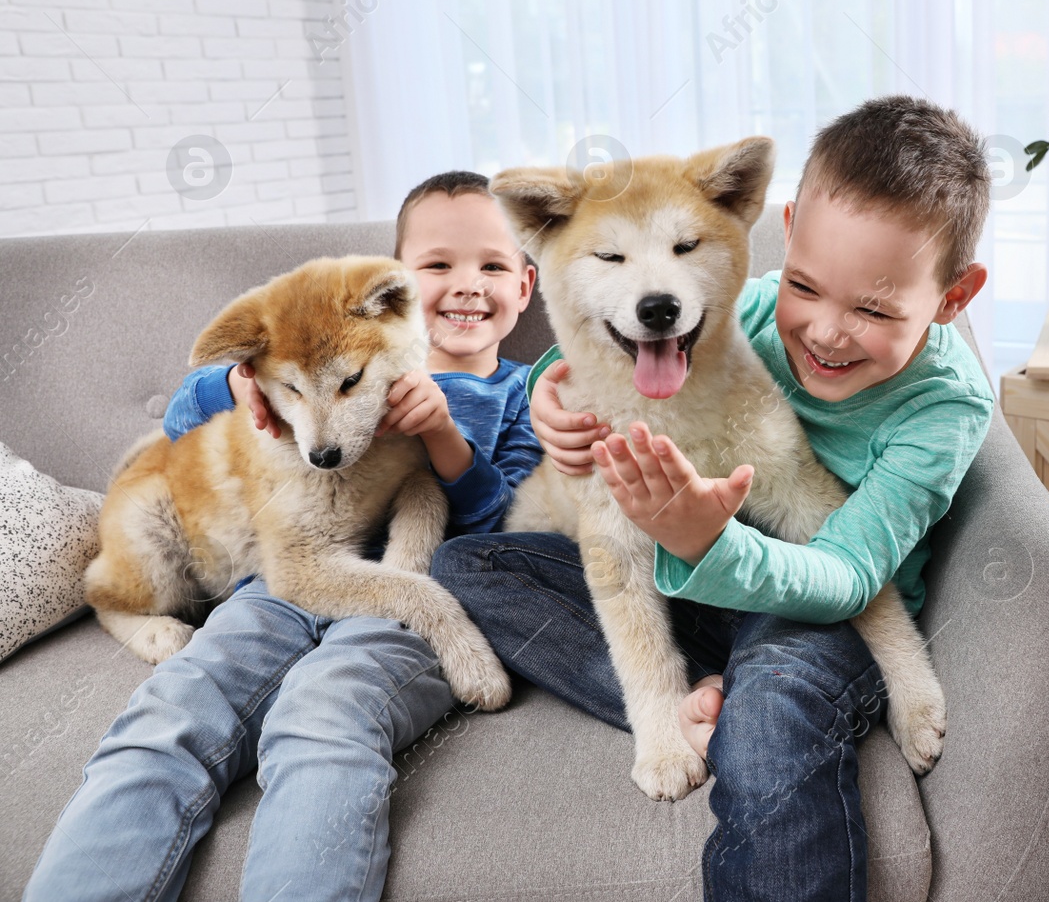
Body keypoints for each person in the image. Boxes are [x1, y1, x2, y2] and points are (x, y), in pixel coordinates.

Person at [431, 96, 995, 901]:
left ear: (953, 296)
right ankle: (698, 697)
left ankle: (736, 701)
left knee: (769, 725)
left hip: (815, 608)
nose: (829, 331)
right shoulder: (759, 304)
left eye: (872, 308)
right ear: (787, 233)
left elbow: (840, 565)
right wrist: (548, 388)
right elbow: (602, 337)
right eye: (807, 285)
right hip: (699, 594)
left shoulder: (944, 407)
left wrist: (709, 543)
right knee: (469, 562)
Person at [25, 171, 539, 902]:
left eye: (492, 265)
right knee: (167, 716)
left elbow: (506, 536)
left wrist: (443, 433)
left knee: (323, 717)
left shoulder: (523, 391)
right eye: (437, 265)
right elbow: (180, 418)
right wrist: (238, 387)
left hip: (409, 594)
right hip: (277, 586)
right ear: (394, 286)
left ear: (525, 285)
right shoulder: (324, 348)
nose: (466, 284)